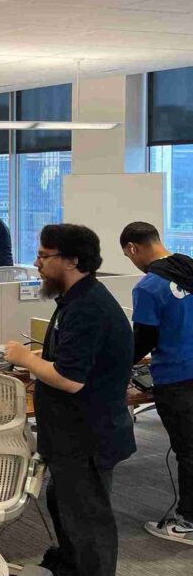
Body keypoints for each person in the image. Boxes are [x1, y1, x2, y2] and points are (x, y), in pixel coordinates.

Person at [3, 224, 134, 576]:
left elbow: (70, 379)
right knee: (64, 508)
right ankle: (71, 574)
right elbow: (72, 360)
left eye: (44, 256)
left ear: (73, 260)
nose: (36, 263)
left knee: (88, 519)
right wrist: (32, 361)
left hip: (88, 436)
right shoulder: (76, 300)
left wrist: (27, 358)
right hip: (71, 435)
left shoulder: (88, 308)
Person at [120, 221, 193, 544]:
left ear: (134, 248)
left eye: (128, 255)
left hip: (177, 378)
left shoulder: (149, 286)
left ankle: (188, 522)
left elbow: (142, 341)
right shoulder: (189, 268)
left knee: (188, 451)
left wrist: (117, 369)